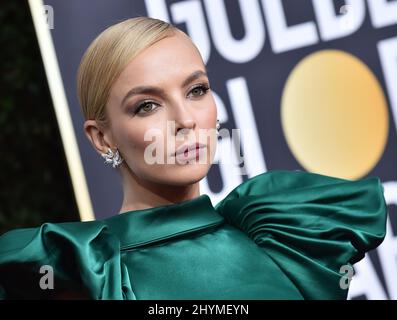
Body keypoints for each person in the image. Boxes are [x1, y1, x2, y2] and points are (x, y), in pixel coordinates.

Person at [0, 17, 387, 300]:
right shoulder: (85, 273)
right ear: (101, 137)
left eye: (197, 90)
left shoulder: (280, 233)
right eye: (147, 105)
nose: (185, 120)